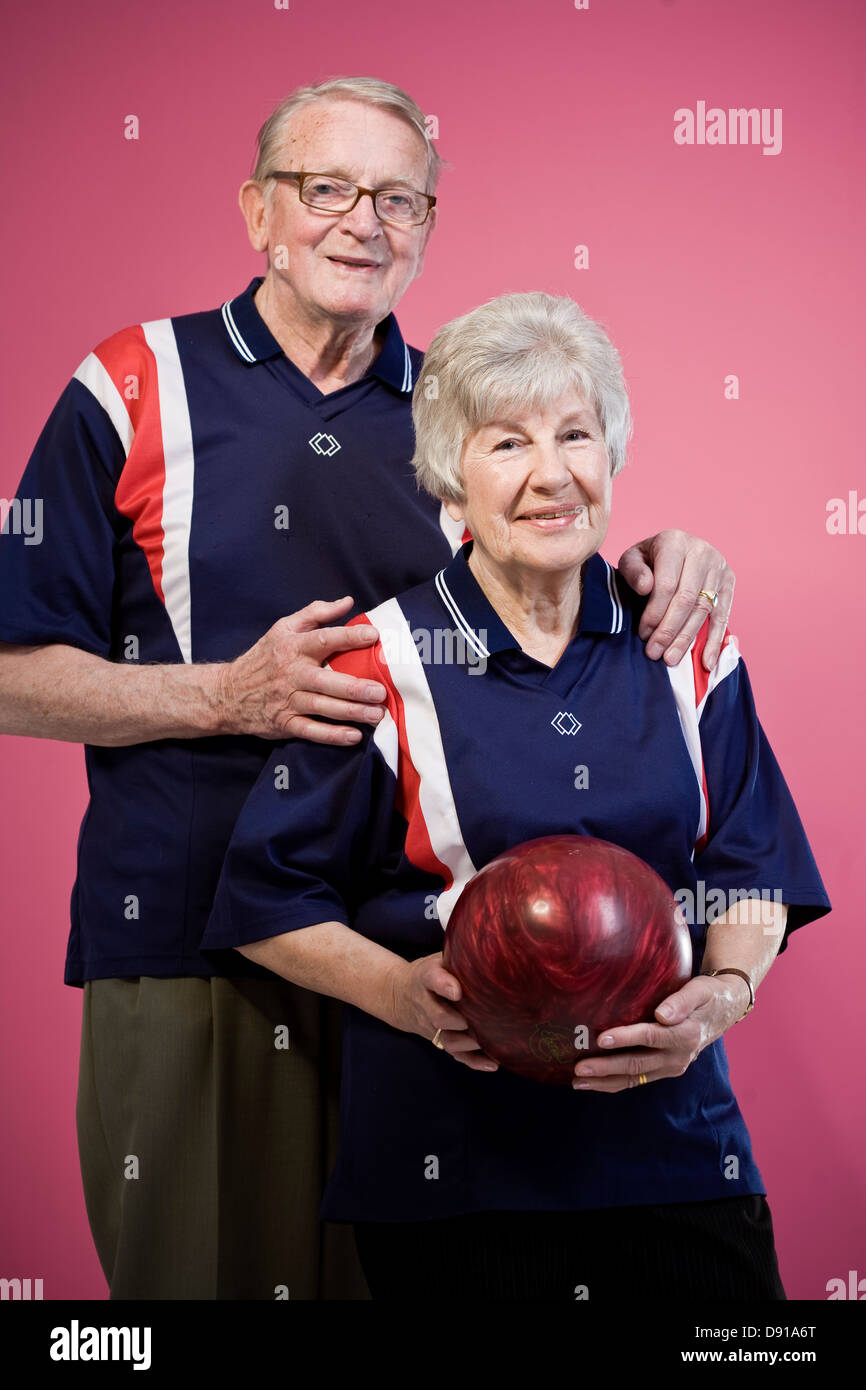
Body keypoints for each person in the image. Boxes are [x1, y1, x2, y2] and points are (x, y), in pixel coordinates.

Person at [0, 78, 735, 1301]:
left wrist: (666, 559)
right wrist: (221, 700)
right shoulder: (131, 385)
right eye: (324, 188)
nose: (361, 222)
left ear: (428, 225)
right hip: (196, 945)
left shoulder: (463, 401)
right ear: (256, 212)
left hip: (436, 971)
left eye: (398, 197)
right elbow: (10, 673)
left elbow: (543, 577)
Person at [204, 291, 831, 1302]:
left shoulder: (688, 647)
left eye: (574, 434)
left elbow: (748, 869)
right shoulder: (375, 662)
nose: (551, 473)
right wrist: (402, 997)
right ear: (452, 471)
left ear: (610, 452)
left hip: (672, 1155)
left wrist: (720, 999)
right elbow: (268, 904)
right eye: (506, 443)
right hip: (451, 1172)